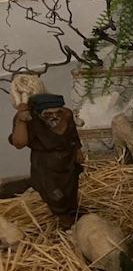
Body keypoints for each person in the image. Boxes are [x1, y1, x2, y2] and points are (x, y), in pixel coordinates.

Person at [8, 94, 84, 229]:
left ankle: (72, 211)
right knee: (54, 192)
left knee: (71, 188)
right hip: (45, 165)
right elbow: (19, 143)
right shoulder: (31, 120)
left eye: (58, 112)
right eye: (49, 114)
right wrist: (21, 121)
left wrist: (78, 150)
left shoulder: (66, 115)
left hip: (68, 160)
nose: (54, 116)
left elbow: (73, 134)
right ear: (39, 113)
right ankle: (62, 215)